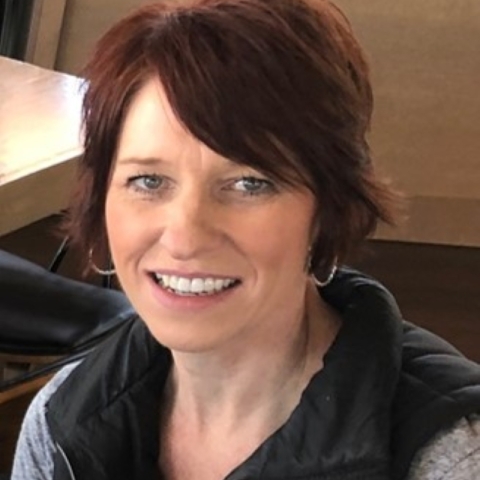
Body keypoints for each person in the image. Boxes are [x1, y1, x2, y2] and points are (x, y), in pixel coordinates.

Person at [11, 1, 480, 479]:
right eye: (149, 181)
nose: (185, 237)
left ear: (329, 207)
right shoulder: (60, 422)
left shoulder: (453, 460)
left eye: (249, 183)